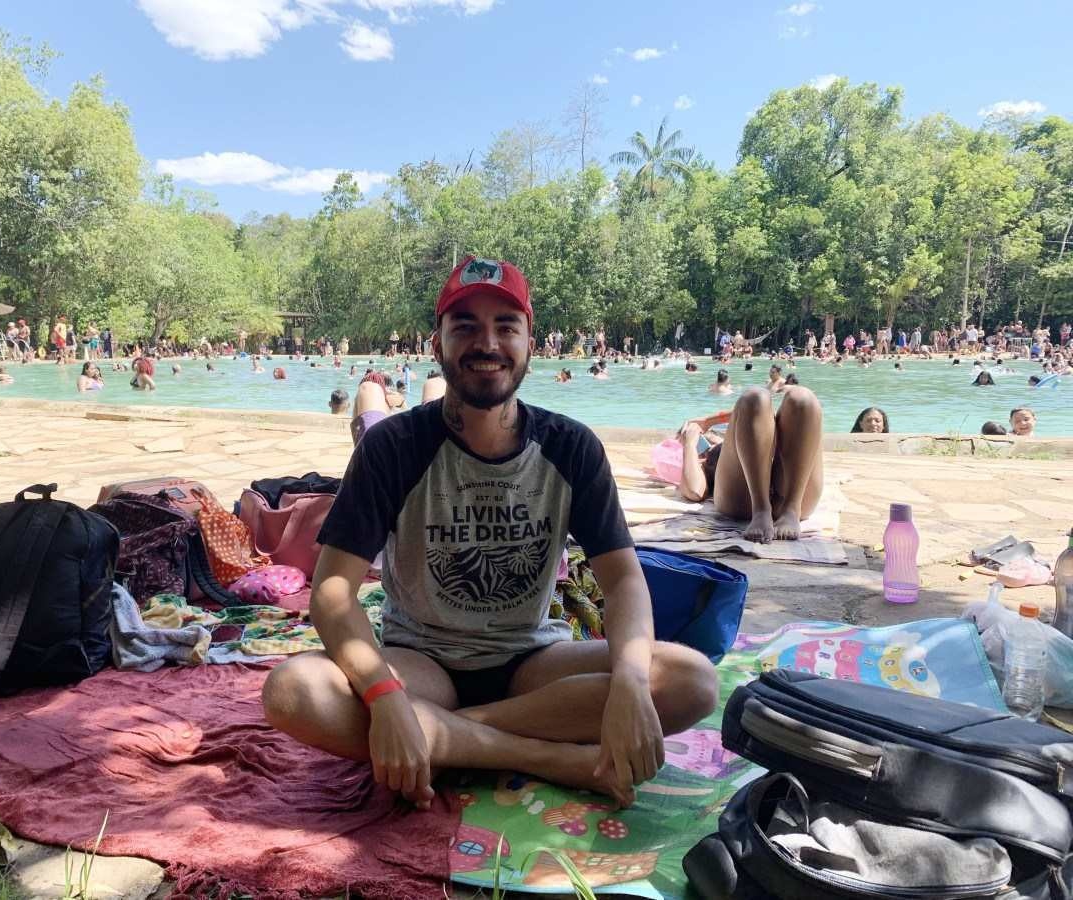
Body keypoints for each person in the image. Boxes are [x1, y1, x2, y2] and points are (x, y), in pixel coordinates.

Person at [263, 256, 718, 810]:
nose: (488, 342)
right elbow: (332, 594)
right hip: (421, 663)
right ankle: (546, 757)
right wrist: (385, 696)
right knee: (292, 691)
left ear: (531, 343)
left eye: (506, 326)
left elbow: (622, 582)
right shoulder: (392, 449)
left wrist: (626, 683)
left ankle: (444, 735)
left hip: (531, 664)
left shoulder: (571, 448)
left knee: (691, 680)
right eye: (466, 327)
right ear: (437, 345)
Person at [676, 385, 823, 542]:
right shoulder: (704, 458)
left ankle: (791, 510)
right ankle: (761, 509)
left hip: (792, 490)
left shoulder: (750, 426)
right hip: (743, 498)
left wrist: (708, 422)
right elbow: (694, 491)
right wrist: (690, 443)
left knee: (802, 398)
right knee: (753, 397)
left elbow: (762, 412)